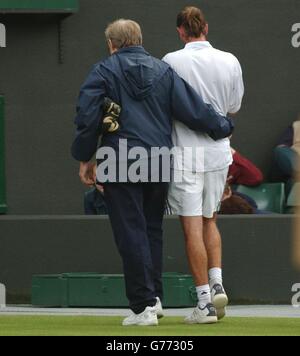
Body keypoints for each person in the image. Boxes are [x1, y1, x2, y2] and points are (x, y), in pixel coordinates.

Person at [72, 19, 234, 326]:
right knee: (151, 231)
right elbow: (194, 110)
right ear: (140, 39)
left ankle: (143, 307)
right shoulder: (163, 71)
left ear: (111, 44)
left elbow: (87, 115)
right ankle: (155, 298)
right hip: (159, 157)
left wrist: (84, 158)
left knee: (130, 232)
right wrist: (224, 126)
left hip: (119, 157)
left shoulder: (103, 71)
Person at [163, 7, 244, 324]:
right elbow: (233, 108)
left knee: (191, 228)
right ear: (205, 28)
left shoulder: (171, 61)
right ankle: (217, 282)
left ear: (181, 31)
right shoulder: (230, 60)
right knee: (210, 220)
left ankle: (205, 304)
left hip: (186, 155)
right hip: (218, 154)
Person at [271, 120, 300, 196]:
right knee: (279, 151)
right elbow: (281, 147)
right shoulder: (296, 125)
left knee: (293, 182)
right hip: (294, 160)